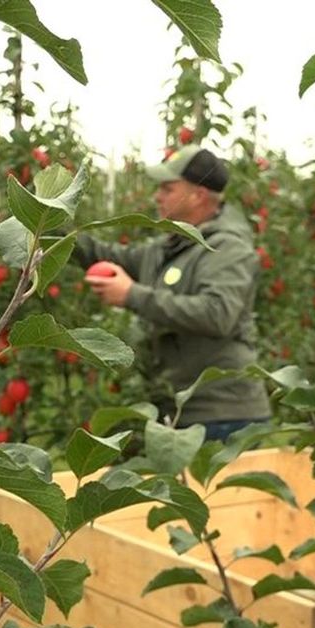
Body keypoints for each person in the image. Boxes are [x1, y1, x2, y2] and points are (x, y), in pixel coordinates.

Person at [75, 144, 270, 441]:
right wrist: (47, 229)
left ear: (198, 195)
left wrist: (132, 295)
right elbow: (108, 254)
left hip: (224, 415)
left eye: (168, 188)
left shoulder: (228, 248)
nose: (158, 196)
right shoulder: (169, 248)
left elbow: (217, 314)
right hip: (181, 411)